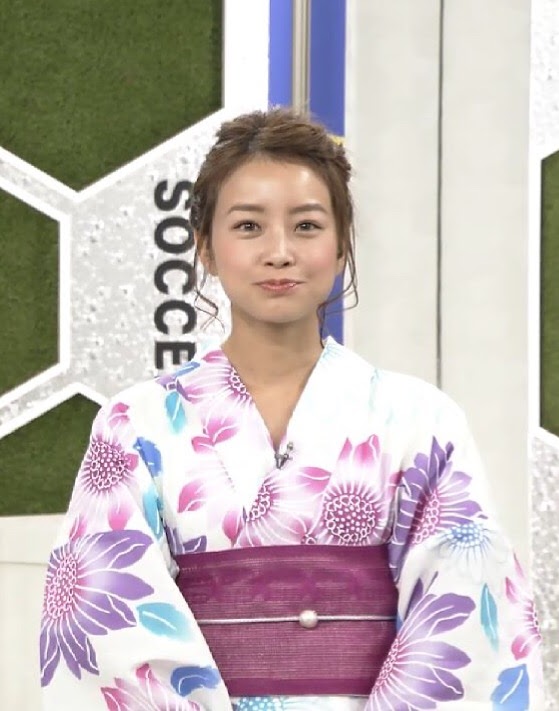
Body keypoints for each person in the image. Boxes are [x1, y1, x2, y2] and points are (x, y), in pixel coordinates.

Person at [40, 108, 544, 710]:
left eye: (306, 226)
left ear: (342, 244)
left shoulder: (421, 420)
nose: (279, 252)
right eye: (248, 226)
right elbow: (104, 622)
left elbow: (468, 614)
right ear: (205, 247)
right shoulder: (135, 424)